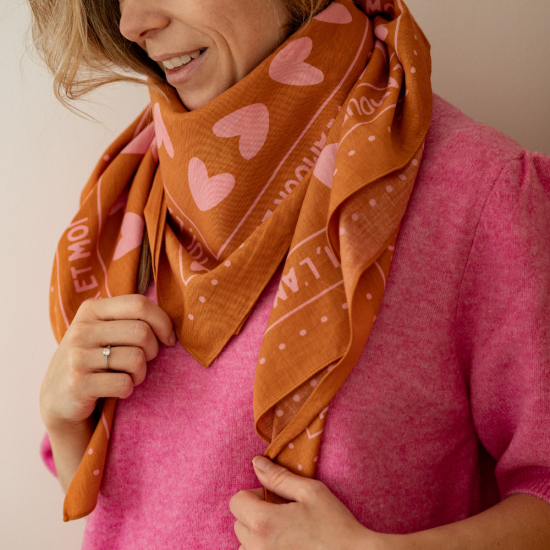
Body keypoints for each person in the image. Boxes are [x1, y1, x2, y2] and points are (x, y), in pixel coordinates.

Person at [31, 0, 550, 548]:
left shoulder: (474, 193)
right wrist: (63, 422)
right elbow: (120, 512)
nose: (132, 25)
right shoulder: (132, 197)